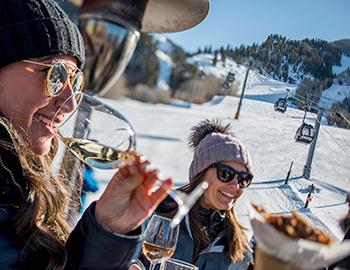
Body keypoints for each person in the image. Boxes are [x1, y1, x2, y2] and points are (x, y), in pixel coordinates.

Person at [0, 0, 171, 269]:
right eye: (55, 75)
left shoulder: (19, 185)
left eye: (76, 82)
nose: (69, 103)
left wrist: (107, 229)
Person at [132, 119, 254, 270]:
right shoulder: (158, 210)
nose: (235, 186)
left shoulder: (237, 245)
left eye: (244, 179)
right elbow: (115, 255)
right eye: (226, 173)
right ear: (201, 172)